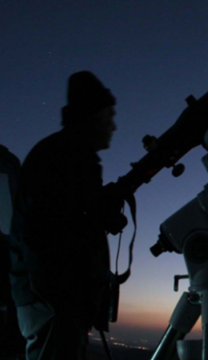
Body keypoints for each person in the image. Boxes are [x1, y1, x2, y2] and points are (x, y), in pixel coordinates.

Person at [9, 71, 127, 359]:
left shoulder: (69, 154)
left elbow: (73, 220)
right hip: (51, 303)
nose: (114, 126)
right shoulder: (63, 156)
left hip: (58, 301)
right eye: (109, 116)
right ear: (93, 116)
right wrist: (63, 303)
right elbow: (46, 235)